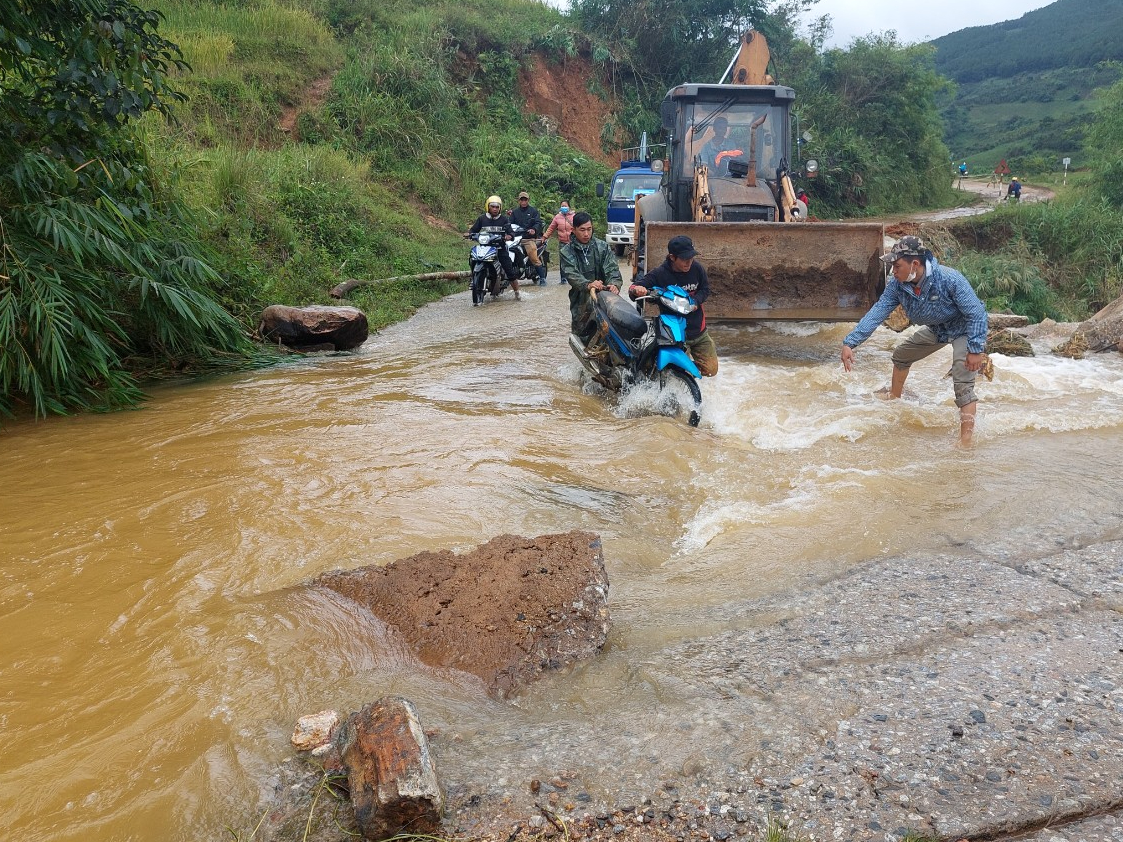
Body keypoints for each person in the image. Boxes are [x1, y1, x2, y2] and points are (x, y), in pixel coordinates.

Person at [840, 235, 989, 446]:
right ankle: (895, 397)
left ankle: (965, 443)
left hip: (964, 329)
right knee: (901, 355)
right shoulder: (898, 286)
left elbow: (976, 314)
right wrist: (850, 342)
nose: (893, 270)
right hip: (938, 329)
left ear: (915, 264)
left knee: (963, 385)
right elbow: (878, 312)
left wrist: (975, 349)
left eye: (897, 265)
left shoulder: (949, 279)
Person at [627, 235, 718, 377]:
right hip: (676, 336)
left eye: (691, 258)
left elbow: (705, 290)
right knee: (673, 372)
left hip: (699, 331)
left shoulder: (697, 268)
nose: (689, 262)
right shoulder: (659, 274)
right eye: (684, 259)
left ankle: (684, 374)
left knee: (711, 370)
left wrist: (695, 302)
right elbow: (634, 288)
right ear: (672, 257)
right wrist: (636, 290)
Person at [560, 211, 622, 342]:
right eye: (582, 230)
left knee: (612, 333)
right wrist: (589, 285)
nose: (586, 234)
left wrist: (614, 284)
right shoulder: (566, 251)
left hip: (605, 297)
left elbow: (612, 269)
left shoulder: (602, 247)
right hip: (581, 300)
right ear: (574, 230)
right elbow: (572, 274)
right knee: (583, 336)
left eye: (589, 229)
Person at [510, 190, 547, 285]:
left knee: (533, 256)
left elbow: (538, 222)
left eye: (525, 200)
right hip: (515, 239)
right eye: (521, 200)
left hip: (528, 239)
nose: (523, 202)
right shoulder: (514, 212)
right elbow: (509, 224)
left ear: (528, 200)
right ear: (518, 200)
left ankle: (542, 278)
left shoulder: (533, 211)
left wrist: (534, 229)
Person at [544, 202, 575, 283]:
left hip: (573, 242)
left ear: (569, 207)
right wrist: (545, 236)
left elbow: (579, 227)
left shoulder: (574, 216)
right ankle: (563, 278)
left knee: (574, 260)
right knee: (563, 260)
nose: (564, 207)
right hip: (562, 242)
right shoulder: (557, 217)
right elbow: (551, 228)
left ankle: (574, 277)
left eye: (565, 206)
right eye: (562, 206)